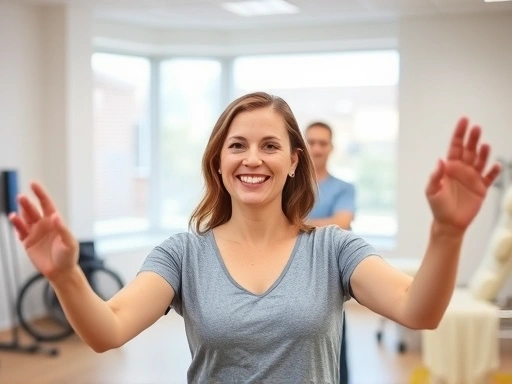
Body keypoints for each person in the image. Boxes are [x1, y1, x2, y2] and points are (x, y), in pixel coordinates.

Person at [9, 92, 501, 383]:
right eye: (237, 145)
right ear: (218, 162)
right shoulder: (184, 254)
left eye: (270, 146)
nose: (252, 159)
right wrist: (66, 275)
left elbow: (420, 310)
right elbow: (108, 329)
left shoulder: (332, 249)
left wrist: (447, 232)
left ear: (293, 163)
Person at [305, 121, 355, 383]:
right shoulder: (286, 187)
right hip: (286, 270)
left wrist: (295, 224)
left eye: (322, 143)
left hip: (327, 273)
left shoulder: (344, 188)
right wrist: (323, 222)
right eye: (311, 142)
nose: (316, 148)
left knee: (332, 335)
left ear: (331, 147)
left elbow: (342, 223)